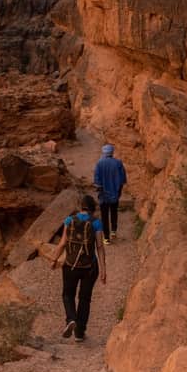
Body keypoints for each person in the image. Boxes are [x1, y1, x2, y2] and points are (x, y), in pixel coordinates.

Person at [51, 195, 107, 343]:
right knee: (84, 298)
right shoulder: (96, 223)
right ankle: (79, 333)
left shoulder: (69, 220)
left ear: (80, 206)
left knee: (68, 295)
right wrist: (103, 269)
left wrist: (54, 259)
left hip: (70, 265)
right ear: (93, 208)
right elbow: (100, 247)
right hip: (89, 266)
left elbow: (63, 243)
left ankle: (71, 319)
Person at [94, 144, 127, 244]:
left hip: (103, 195)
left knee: (104, 216)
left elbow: (97, 182)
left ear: (103, 152)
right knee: (114, 212)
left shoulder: (99, 163)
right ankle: (113, 231)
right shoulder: (118, 163)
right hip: (115, 194)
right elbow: (122, 180)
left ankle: (106, 238)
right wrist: (119, 192)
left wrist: (100, 191)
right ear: (112, 152)